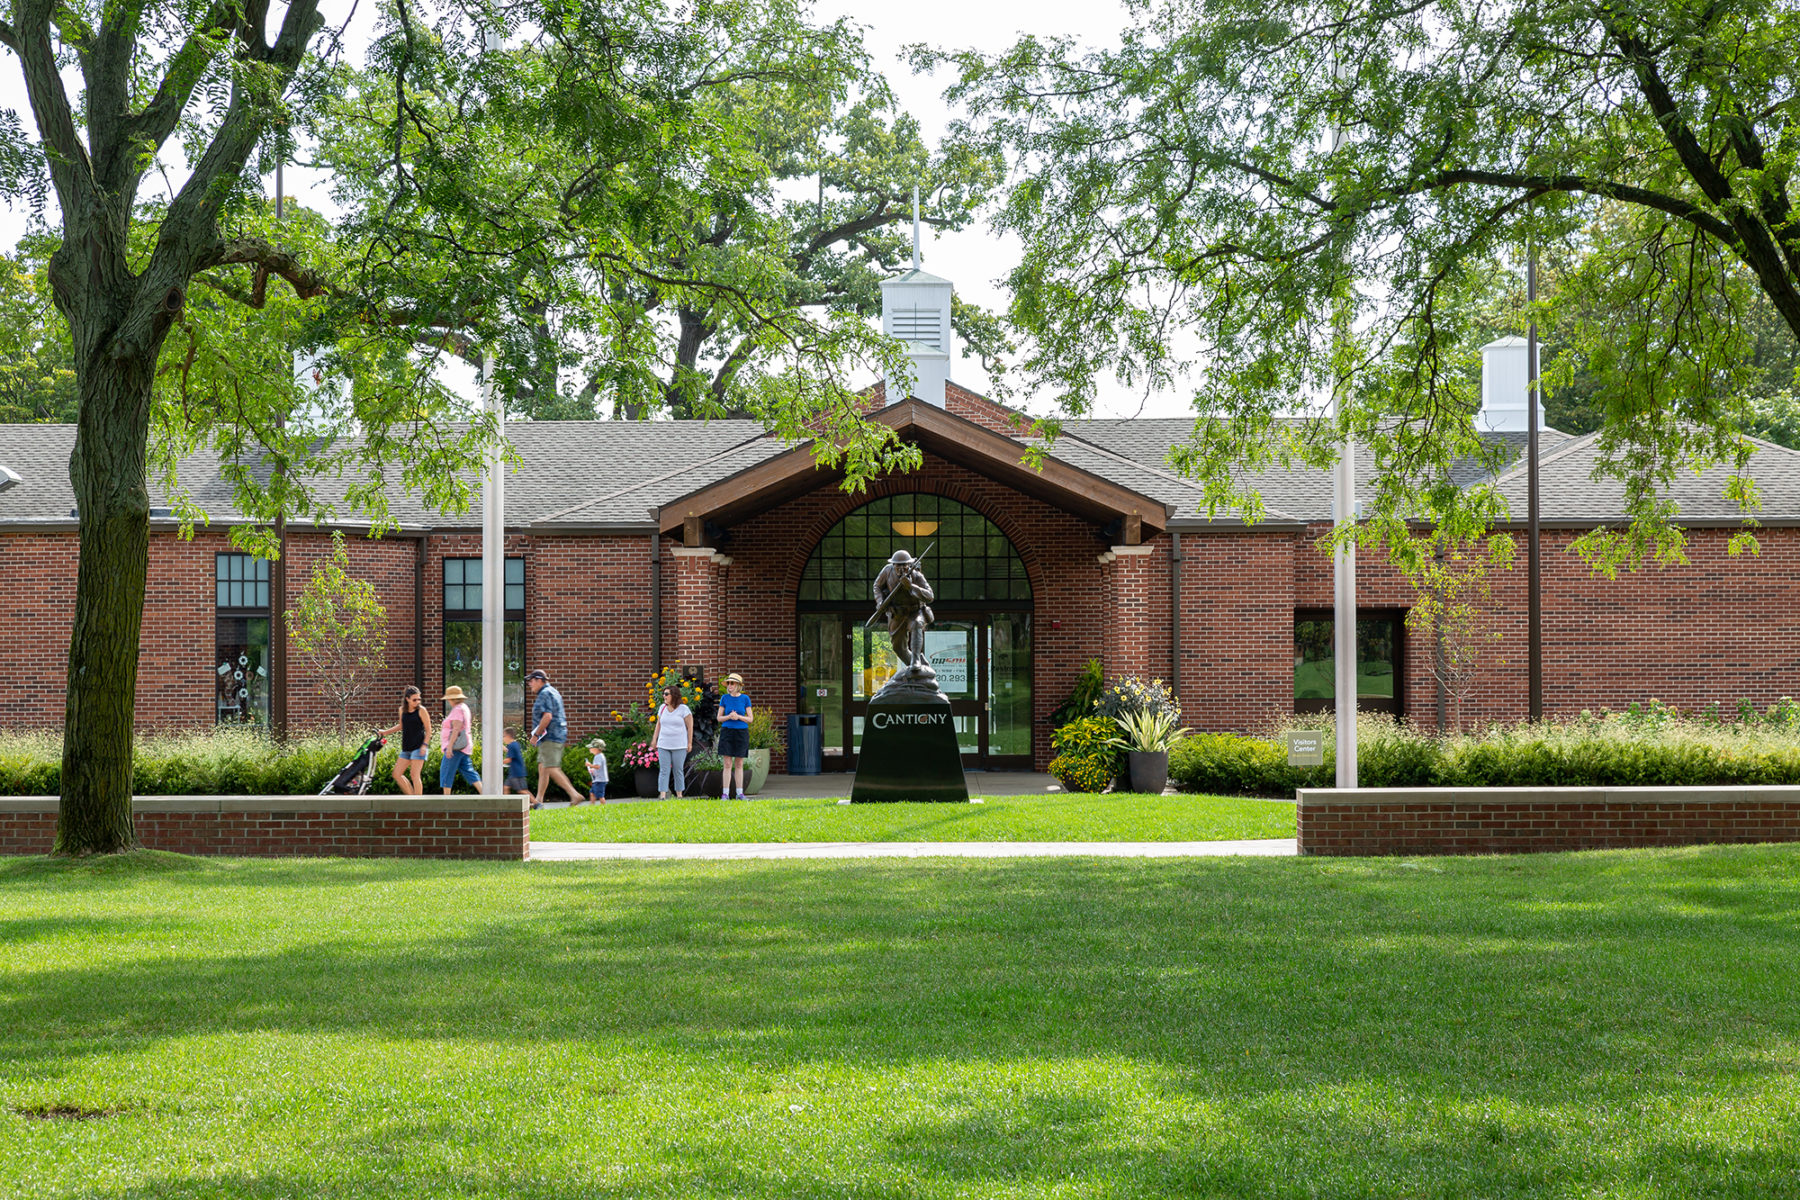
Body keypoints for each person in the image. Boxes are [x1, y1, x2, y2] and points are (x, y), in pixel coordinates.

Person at [525, 669, 584, 806]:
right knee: (543, 767)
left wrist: (535, 735)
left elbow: (547, 716)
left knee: (551, 767)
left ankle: (574, 795)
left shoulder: (544, 694)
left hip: (550, 736)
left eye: (532, 681)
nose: (530, 684)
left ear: (540, 680)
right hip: (556, 735)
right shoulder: (553, 691)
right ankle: (539, 800)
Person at [381, 686, 431, 796]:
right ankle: (412, 799)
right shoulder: (402, 710)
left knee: (414, 775)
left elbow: (428, 730)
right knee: (396, 774)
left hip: (419, 747)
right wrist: (385, 732)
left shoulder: (421, 710)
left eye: (419, 699)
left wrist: (424, 745)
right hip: (407, 747)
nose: (417, 702)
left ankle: (417, 804)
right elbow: (401, 726)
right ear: (407, 699)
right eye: (414, 699)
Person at [438, 685, 482, 794]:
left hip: (455, 747)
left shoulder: (457, 709)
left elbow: (456, 728)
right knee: (469, 771)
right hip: (464, 747)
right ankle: (485, 794)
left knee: (446, 771)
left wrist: (449, 747)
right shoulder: (464, 707)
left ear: (452, 699)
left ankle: (446, 801)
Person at [717, 672, 752, 800]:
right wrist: (729, 717)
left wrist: (738, 717)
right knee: (727, 763)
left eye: (732, 683)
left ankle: (739, 793)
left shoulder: (745, 699)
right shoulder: (724, 698)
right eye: (729, 683)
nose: (730, 685)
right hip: (727, 732)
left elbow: (750, 718)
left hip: (741, 733)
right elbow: (719, 718)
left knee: (739, 764)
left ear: (738, 685)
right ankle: (725, 794)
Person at [655, 684, 693, 799]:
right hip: (663, 744)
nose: (664, 696)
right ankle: (662, 795)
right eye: (663, 694)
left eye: (666, 694)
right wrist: (654, 740)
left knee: (678, 770)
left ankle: (679, 795)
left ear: (674, 695)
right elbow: (658, 725)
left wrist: (689, 743)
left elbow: (690, 727)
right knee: (664, 770)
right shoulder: (662, 708)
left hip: (679, 745)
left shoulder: (684, 709)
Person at [502, 726, 530, 799]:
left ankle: (536, 803)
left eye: (503, 736)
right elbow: (509, 751)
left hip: (517, 773)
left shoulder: (511, 746)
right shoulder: (515, 744)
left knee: (522, 791)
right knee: (506, 787)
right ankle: (506, 805)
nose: (503, 738)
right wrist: (502, 747)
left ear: (508, 736)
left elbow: (509, 759)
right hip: (513, 773)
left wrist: (498, 762)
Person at [584, 738, 609, 806]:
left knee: (600, 795)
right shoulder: (598, 756)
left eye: (591, 748)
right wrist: (593, 770)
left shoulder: (598, 756)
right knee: (592, 793)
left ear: (597, 748)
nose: (590, 749)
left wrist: (590, 765)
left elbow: (598, 766)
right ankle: (592, 806)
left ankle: (604, 807)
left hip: (600, 780)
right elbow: (598, 768)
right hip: (598, 779)